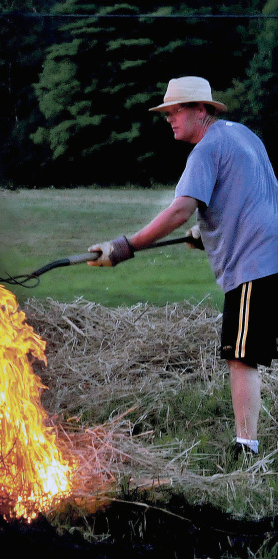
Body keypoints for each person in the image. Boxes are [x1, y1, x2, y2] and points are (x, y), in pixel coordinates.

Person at [88, 76, 278, 457]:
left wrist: (126, 246)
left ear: (201, 110)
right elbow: (251, 191)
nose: (170, 119)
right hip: (273, 253)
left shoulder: (205, 150)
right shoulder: (241, 135)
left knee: (241, 355)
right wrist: (203, 232)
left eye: (176, 111)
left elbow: (179, 209)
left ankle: (247, 448)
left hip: (254, 262)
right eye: (167, 113)